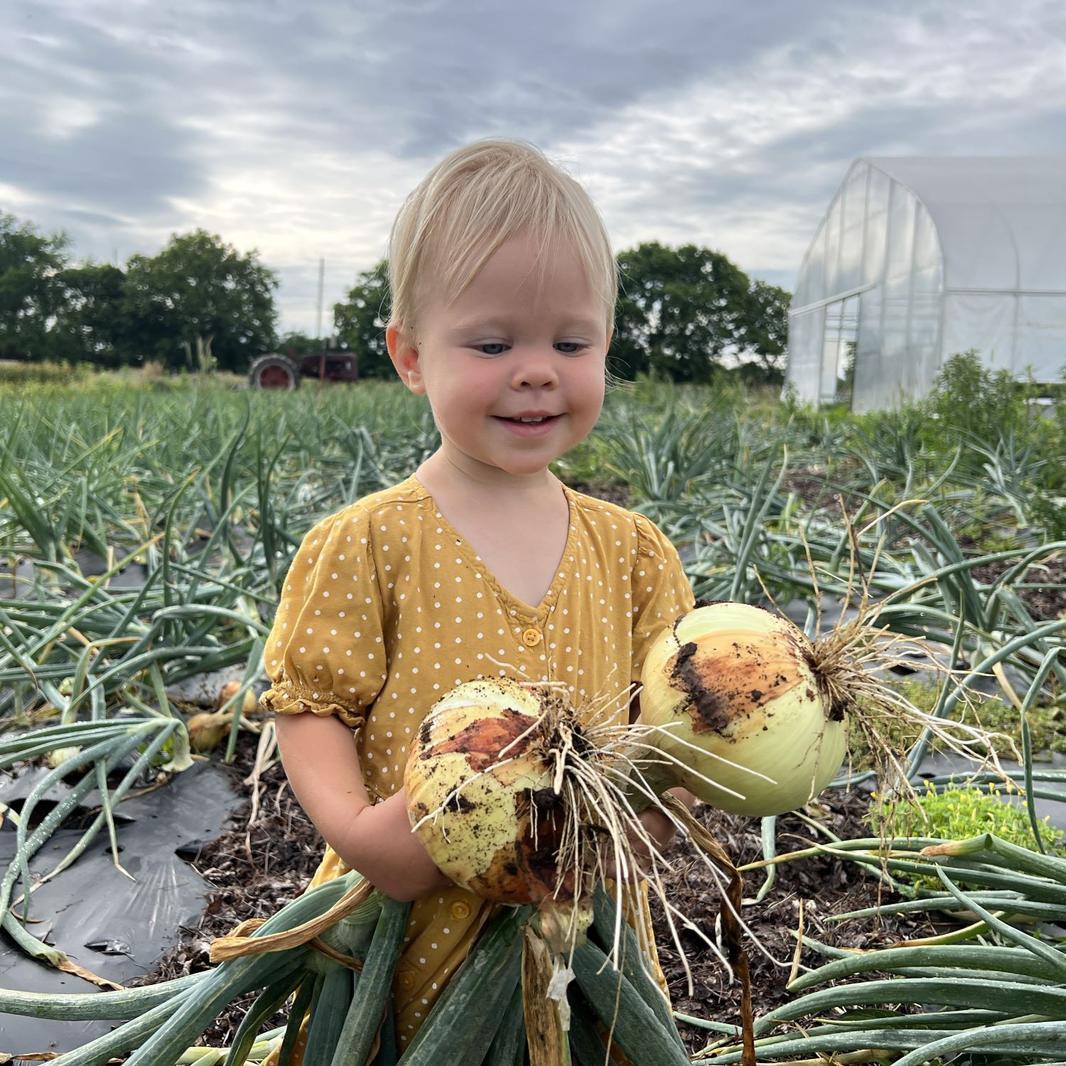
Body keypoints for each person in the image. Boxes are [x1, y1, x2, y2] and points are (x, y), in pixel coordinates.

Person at [260, 138, 695, 1055]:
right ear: (411, 356)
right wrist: (359, 831)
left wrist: (661, 803)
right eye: (493, 343)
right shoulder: (369, 543)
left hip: (580, 919)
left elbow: (667, 720)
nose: (536, 370)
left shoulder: (632, 554)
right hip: (410, 911)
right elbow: (310, 706)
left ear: (604, 347)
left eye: (568, 343)